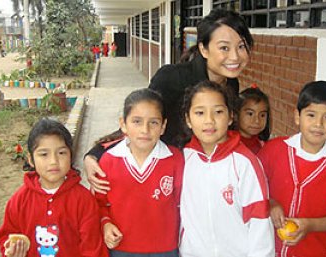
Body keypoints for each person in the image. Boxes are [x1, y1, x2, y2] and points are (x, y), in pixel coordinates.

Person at [84, 8, 253, 194]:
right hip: (163, 177)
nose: (235, 57)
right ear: (203, 49)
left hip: (201, 176)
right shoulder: (172, 78)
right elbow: (141, 118)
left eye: (241, 46)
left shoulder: (231, 84)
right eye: (224, 48)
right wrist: (96, 154)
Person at [257, 80, 326, 257]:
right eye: (311, 115)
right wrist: (271, 203)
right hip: (264, 249)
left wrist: (310, 225)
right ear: (297, 116)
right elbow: (251, 188)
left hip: (314, 251)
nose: (318, 124)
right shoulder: (273, 150)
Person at [179, 80, 274, 256]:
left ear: (231, 117)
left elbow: (259, 221)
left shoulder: (245, 162)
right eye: (200, 113)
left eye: (218, 112)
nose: (209, 120)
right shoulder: (184, 159)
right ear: (188, 119)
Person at [0, 118, 108, 257]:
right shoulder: (19, 201)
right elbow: (6, 237)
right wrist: (11, 251)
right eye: (44, 154)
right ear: (31, 160)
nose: (54, 161)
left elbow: (92, 248)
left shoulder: (84, 200)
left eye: (61, 153)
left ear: (71, 156)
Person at [94, 88, 184, 257]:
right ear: (123, 124)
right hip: (122, 247)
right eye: (137, 121)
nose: (145, 130)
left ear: (163, 126)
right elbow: (99, 203)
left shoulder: (175, 159)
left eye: (154, 122)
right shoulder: (109, 160)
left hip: (165, 248)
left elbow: (183, 204)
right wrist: (105, 224)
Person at [238, 83, 270, 154]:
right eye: (250, 114)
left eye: (262, 115)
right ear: (236, 114)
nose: (257, 121)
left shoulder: (264, 146)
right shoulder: (229, 145)